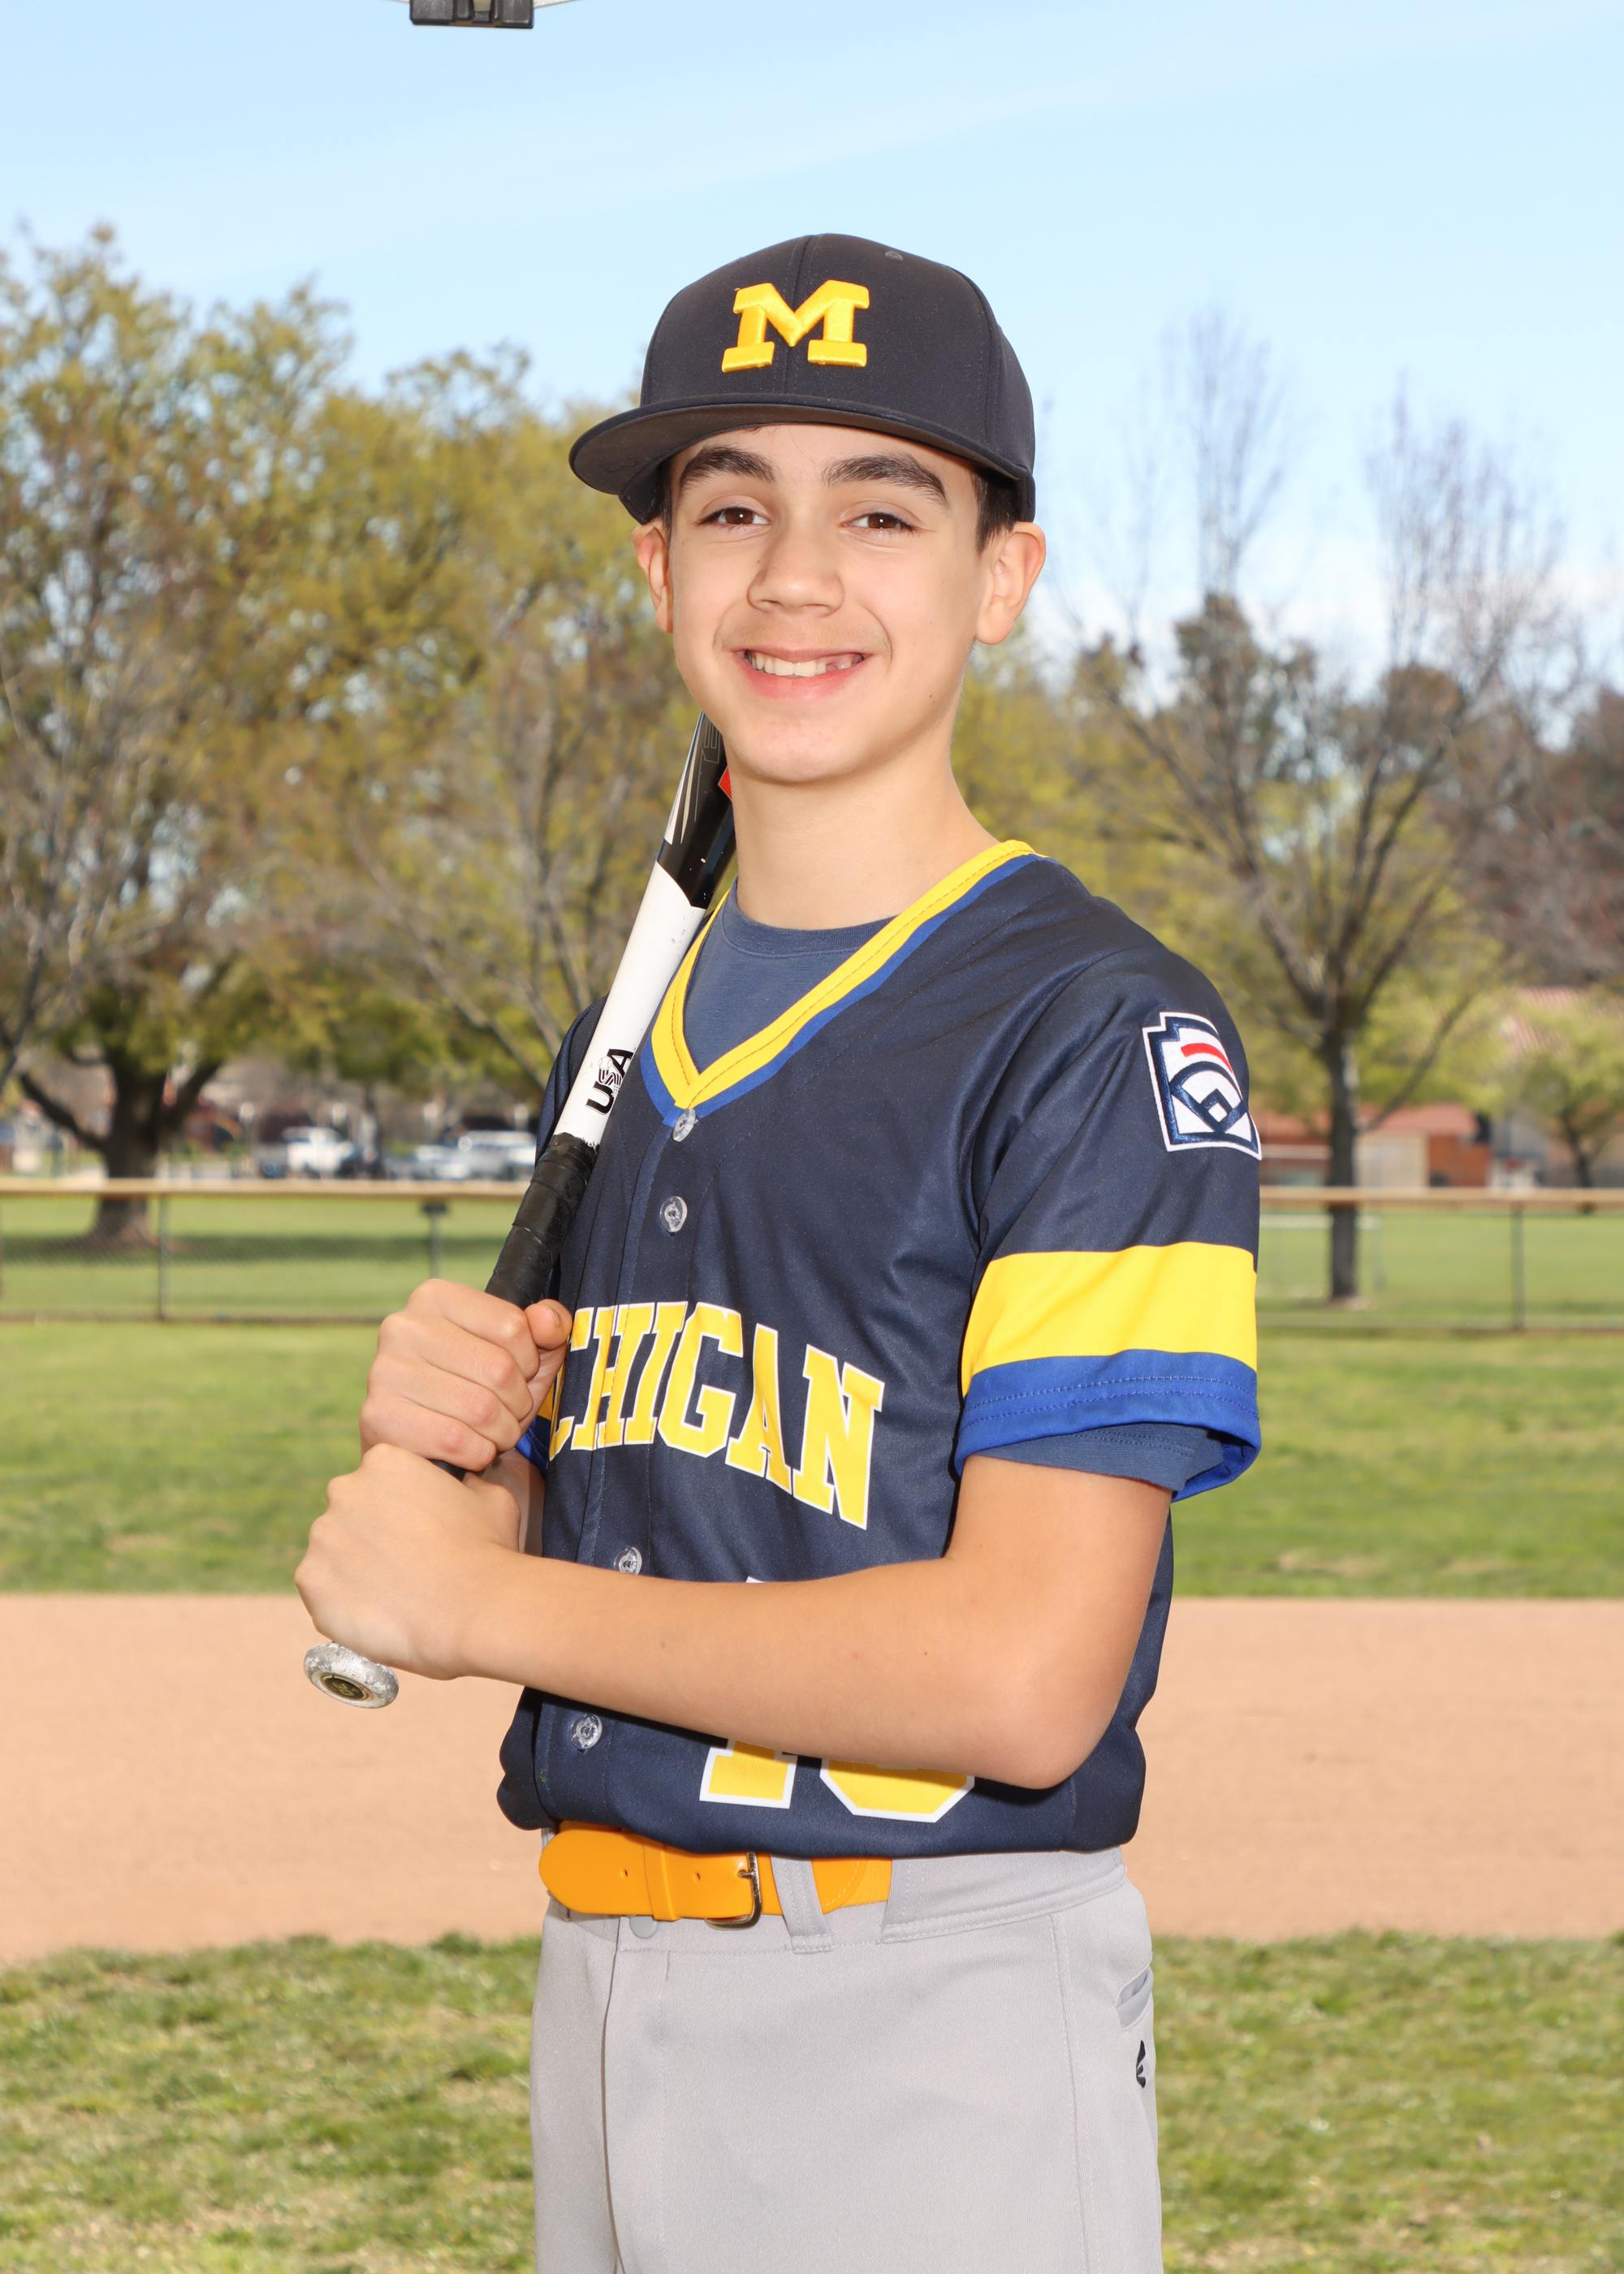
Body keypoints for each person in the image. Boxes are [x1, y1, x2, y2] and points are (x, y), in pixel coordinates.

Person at [297, 232, 1262, 2273]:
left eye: (881, 511)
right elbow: (676, 1520)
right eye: (730, 509)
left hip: (926, 2009)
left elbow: (1022, 1673)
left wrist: (484, 1602)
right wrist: (480, 1472)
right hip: (602, 1972)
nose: (795, 576)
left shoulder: (1095, 1031)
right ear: (658, 571)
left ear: (1001, 575)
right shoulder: (631, 1027)